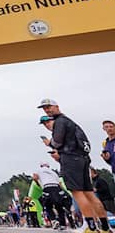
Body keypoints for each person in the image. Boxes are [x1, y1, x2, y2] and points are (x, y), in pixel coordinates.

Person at [39, 99, 111, 232]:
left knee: (78, 193)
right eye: (45, 109)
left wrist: (50, 143)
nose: (47, 110)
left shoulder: (60, 122)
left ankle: (90, 227)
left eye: (49, 107)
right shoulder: (70, 121)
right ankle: (105, 227)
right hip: (83, 159)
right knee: (89, 194)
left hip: (70, 159)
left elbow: (58, 142)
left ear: (56, 106)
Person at [37, 160, 69, 230]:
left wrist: (40, 184)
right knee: (59, 206)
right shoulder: (53, 172)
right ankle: (63, 224)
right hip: (56, 187)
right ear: (48, 166)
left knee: (48, 205)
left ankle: (53, 220)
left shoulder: (39, 170)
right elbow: (60, 183)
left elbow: (34, 177)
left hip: (47, 187)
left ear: (41, 166)